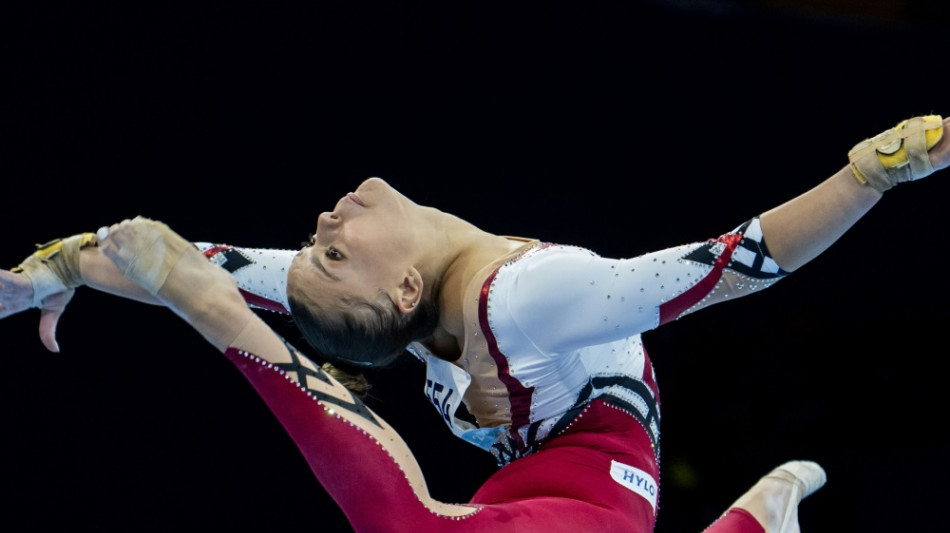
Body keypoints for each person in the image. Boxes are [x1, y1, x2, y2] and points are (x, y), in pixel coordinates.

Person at [2, 113, 947, 532]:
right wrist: (873, 174)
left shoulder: (450, 298)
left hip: (550, 495)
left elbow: (194, 259)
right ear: (404, 289)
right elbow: (736, 263)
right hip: (583, 501)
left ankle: (751, 519)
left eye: (318, 245)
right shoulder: (519, 298)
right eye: (330, 251)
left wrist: (61, 262)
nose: (322, 224)